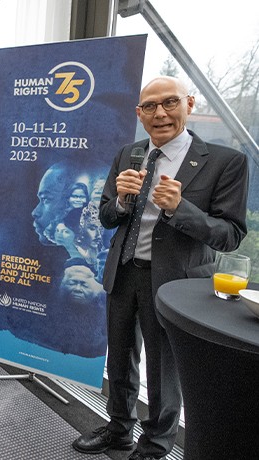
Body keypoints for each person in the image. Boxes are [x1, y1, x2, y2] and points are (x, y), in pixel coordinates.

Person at [72, 76, 248, 460]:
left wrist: (178, 208)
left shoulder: (225, 161)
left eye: (169, 102)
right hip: (124, 272)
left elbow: (230, 235)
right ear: (139, 113)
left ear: (189, 103)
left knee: (164, 371)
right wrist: (120, 201)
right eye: (150, 106)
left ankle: (154, 447)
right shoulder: (128, 153)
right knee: (119, 359)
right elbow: (105, 216)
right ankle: (119, 429)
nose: (160, 113)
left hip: (174, 283)